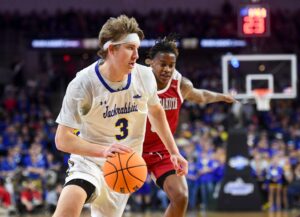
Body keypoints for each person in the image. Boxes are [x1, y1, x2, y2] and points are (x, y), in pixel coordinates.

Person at [52, 15, 188, 217]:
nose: (136, 54)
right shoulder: (83, 83)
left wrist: (174, 151)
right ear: (111, 49)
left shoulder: (144, 76)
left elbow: (156, 111)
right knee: (68, 209)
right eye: (130, 48)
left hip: (125, 164)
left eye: (137, 49)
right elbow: (62, 140)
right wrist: (104, 151)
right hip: (90, 160)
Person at [142, 36, 236, 217]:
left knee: (181, 196)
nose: (167, 69)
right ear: (150, 63)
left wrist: (221, 96)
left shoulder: (180, 84)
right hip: (135, 148)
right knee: (117, 199)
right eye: (163, 64)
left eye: (172, 65)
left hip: (163, 151)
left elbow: (200, 95)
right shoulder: (136, 81)